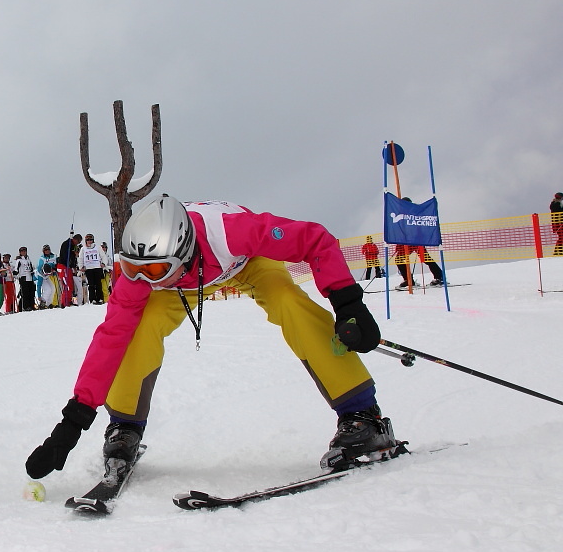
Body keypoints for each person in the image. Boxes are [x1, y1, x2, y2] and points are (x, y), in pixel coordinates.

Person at [25, 195, 395, 489]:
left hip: (246, 262)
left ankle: (362, 416)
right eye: (133, 269)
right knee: (137, 328)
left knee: (290, 303)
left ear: (183, 252)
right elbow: (110, 340)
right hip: (181, 282)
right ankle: (124, 426)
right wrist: (72, 422)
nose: (143, 280)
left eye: (152, 271)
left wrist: (348, 304)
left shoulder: (235, 231)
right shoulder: (143, 274)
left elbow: (315, 239)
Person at [79, 233, 107, 304]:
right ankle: (92, 299)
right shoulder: (83, 249)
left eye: (91, 240)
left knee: (98, 283)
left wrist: (104, 263)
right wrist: (81, 267)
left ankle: (100, 298)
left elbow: (103, 256)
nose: (89, 241)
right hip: (88, 268)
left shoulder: (97, 247)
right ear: (85, 241)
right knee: (91, 284)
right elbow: (81, 258)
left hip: (97, 267)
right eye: (88, 240)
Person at [57, 234, 83, 308]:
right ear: (75, 240)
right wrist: (73, 255)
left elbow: (72, 258)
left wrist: (73, 265)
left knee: (70, 285)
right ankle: (64, 302)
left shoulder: (73, 246)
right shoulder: (67, 244)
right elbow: (66, 257)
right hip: (63, 266)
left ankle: (68, 300)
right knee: (66, 284)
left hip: (68, 267)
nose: (77, 244)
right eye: (78, 242)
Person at [13, 247, 36, 311]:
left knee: (31, 293)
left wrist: (32, 272)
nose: (24, 252)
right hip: (23, 278)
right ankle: (26, 307)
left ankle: (32, 305)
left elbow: (31, 268)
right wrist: (15, 274)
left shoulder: (29, 259)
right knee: (25, 293)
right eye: (22, 251)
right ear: (20, 252)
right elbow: (16, 269)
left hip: (30, 278)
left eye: (25, 251)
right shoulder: (19, 260)